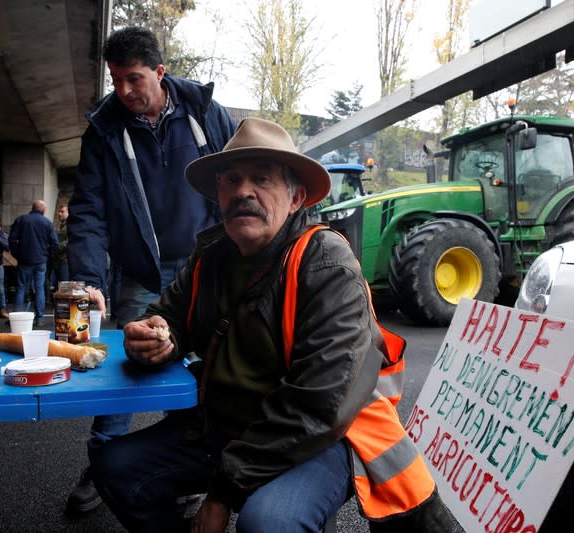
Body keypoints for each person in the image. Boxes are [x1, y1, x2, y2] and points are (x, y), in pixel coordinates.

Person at [87, 118, 458, 532]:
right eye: (231, 180)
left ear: (296, 197)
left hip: (317, 439)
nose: (243, 191)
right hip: (222, 430)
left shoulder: (326, 263)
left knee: (269, 522)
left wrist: (221, 494)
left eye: (261, 179)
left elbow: (320, 404)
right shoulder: (210, 257)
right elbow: (168, 316)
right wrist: (156, 336)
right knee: (114, 467)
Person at [66, 25, 237, 513]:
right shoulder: (103, 129)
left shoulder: (207, 114)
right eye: (115, 79)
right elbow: (89, 211)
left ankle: (184, 472)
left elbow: (239, 179)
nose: (123, 91)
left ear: (160, 73)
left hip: (206, 267)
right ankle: (101, 469)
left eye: (134, 79)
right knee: (126, 370)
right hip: (142, 273)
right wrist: (88, 281)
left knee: (201, 372)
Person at [8, 200, 58, 326]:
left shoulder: (21, 220)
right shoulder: (47, 223)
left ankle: (16, 318)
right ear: (43, 210)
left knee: (21, 288)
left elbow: (12, 239)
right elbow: (55, 244)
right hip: (41, 260)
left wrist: (17, 254)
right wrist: (47, 255)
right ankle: (39, 318)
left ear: (33, 208)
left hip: (24, 259)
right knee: (39, 288)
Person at [49, 204, 70, 294]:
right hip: (58, 259)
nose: (59, 214)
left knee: (64, 285)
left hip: (65, 260)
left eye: (62, 212)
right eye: (59, 211)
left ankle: (64, 306)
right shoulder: (60, 226)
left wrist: (55, 247)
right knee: (58, 286)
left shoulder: (70, 226)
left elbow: (69, 241)